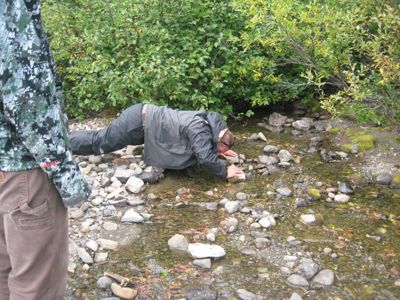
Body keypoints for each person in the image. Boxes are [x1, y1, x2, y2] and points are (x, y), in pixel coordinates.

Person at [0, 1, 91, 299]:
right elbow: (27, 99)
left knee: (5, 271)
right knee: (36, 286)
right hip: (25, 169)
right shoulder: (11, 8)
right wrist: (66, 176)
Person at [70, 103, 246, 180]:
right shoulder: (199, 129)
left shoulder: (210, 123)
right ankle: (62, 144)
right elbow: (204, 157)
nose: (224, 151)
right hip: (136, 123)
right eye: (224, 147)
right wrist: (224, 171)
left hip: (143, 119)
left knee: (100, 137)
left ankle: (64, 138)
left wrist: (220, 150)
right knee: (99, 143)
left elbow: (205, 147)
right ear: (220, 140)